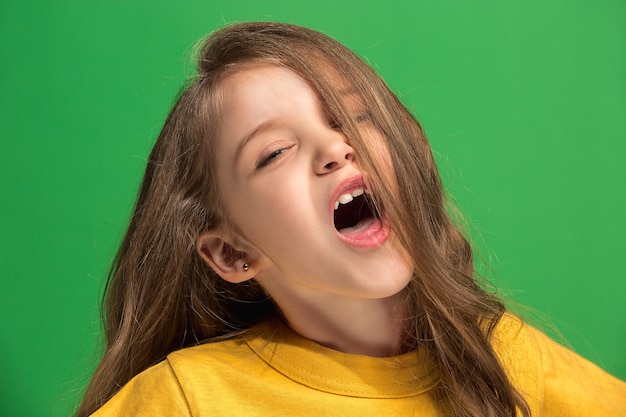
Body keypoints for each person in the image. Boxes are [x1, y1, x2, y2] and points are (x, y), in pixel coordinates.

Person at [77, 22, 626, 416]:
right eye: (273, 153)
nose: (337, 148)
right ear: (233, 253)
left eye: (354, 117)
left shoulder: (502, 356)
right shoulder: (186, 398)